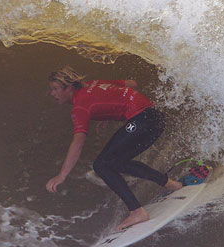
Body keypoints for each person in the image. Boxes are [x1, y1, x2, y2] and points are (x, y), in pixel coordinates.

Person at [45, 66, 182, 230]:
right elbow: (131, 84)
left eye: (55, 89)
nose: (52, 94)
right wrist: (110, 108)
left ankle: (137, 212)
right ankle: (170, 184)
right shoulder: (92, 84)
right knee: (116, 162)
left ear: (69, 88)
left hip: (141, 121)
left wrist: (62, 175)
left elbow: (78, 142)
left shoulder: (79, 107)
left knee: (101, 165)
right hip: (154, 119)